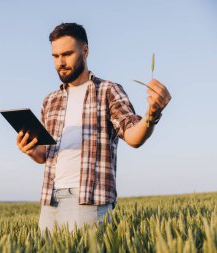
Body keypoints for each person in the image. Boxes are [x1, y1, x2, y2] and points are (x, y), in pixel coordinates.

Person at [16, 23, 171, 234]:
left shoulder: (108, 90)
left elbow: (133, 137)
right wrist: (31, 150)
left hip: (88, 199)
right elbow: (45, 155)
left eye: (67, 54)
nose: (60, 62)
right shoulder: (49, 101)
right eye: (55, 56)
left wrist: (152, 116)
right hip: (49, 200)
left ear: (85, 50)